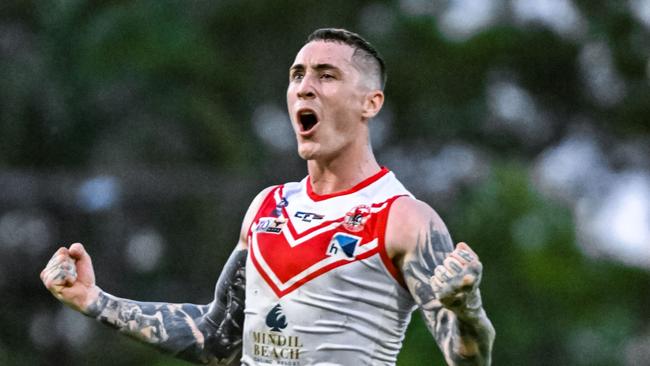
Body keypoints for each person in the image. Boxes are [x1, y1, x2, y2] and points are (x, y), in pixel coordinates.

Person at [41, 28, 495, 365]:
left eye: (327, 75)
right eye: (297, 74)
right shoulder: (267, 207)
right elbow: (217, 338)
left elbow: (468, 359)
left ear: (370, 104)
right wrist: (94, 299)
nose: (305, 86)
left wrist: (467, 308)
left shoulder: (404, 219)